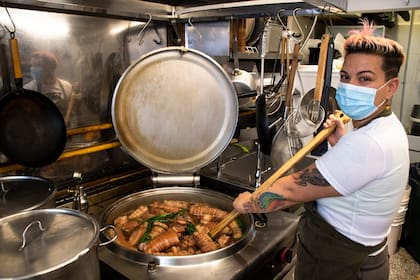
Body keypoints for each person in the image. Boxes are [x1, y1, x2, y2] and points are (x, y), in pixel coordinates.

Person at [233, 19, 409, 280]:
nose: (350, 87)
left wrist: (249, 203)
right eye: (346, 77)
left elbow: (293, 189)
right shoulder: (383, 126)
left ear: (391, 87)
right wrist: (342, 144)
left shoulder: (370, 143)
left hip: (340, 264)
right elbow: (359, 175)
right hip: (357, 255)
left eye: (365, 79)